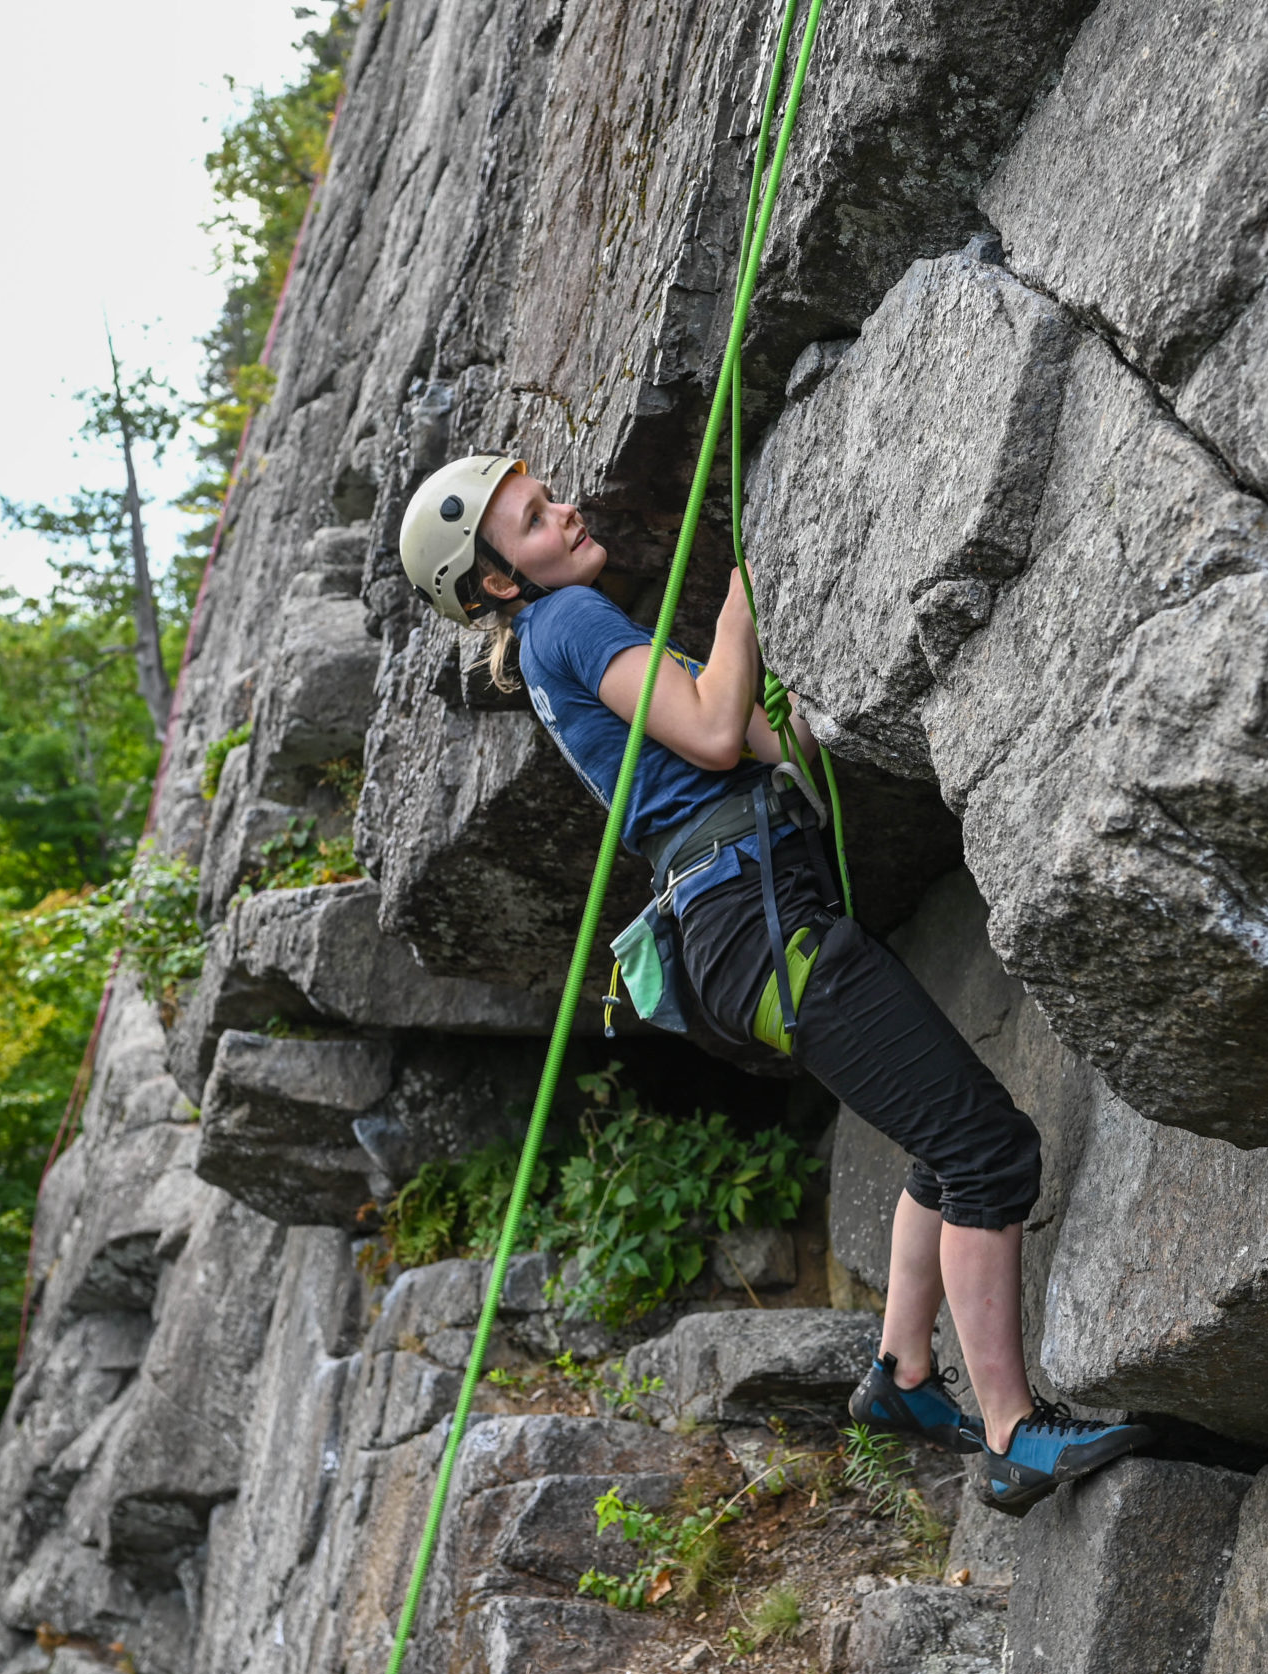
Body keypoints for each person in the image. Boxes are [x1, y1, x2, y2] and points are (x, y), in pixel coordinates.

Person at [397, 454, 1153, 1512]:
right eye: (533, 517)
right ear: (498, 582)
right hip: (753, 918)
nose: (564, 510)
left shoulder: (551, 640)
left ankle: (899, 1375)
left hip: (738, 919)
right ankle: (1011, 1432)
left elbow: (745, 736)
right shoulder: (568, 622)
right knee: (988, 1148)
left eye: (547, 495)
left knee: (943, 1141)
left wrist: (794, 698)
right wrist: (748, 583)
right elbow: (712, 726)